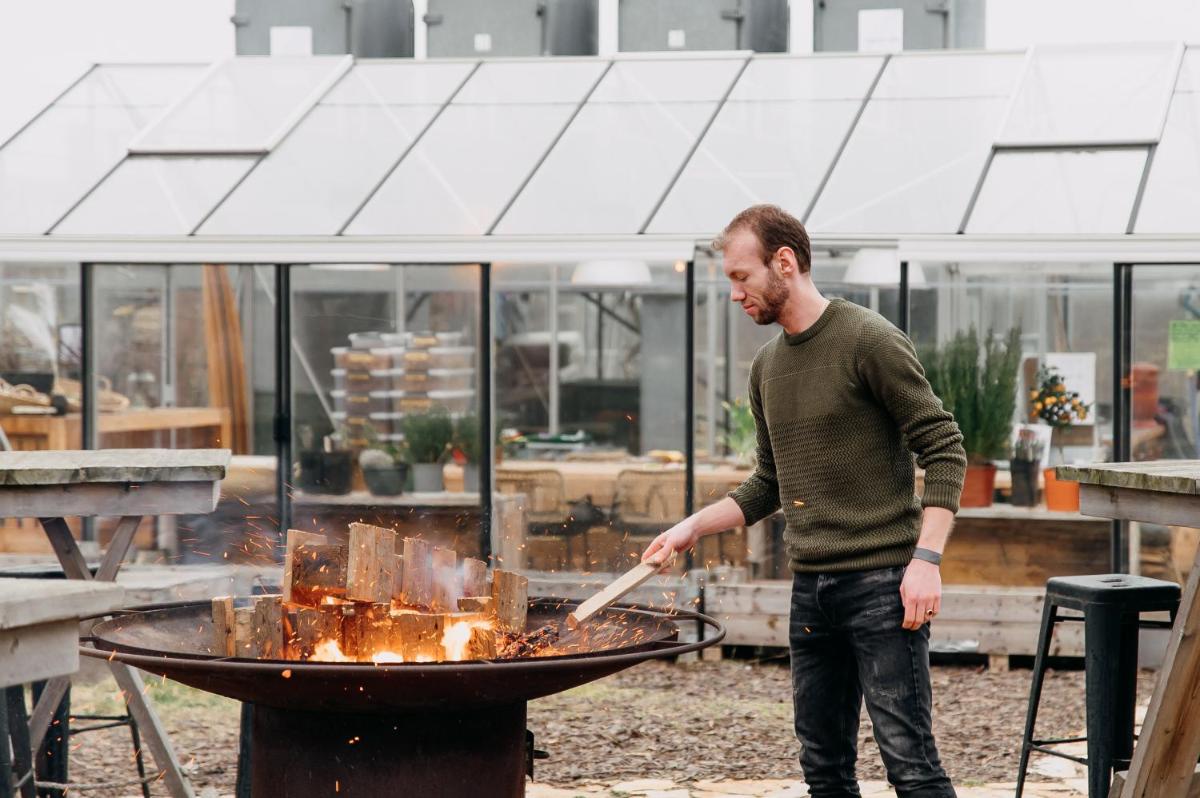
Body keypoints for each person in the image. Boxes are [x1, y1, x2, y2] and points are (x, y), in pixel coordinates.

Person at [642, 205, 966, 798]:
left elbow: (944, 450)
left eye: (741, 277)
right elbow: (768, 483)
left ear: (784, 263)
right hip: (812, 590)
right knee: (823, 770)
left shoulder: (868, 339)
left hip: (883, 588)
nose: (735, 294)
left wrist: (926, 562)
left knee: (911, 768)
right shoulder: (767, 367)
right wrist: (690, 526)